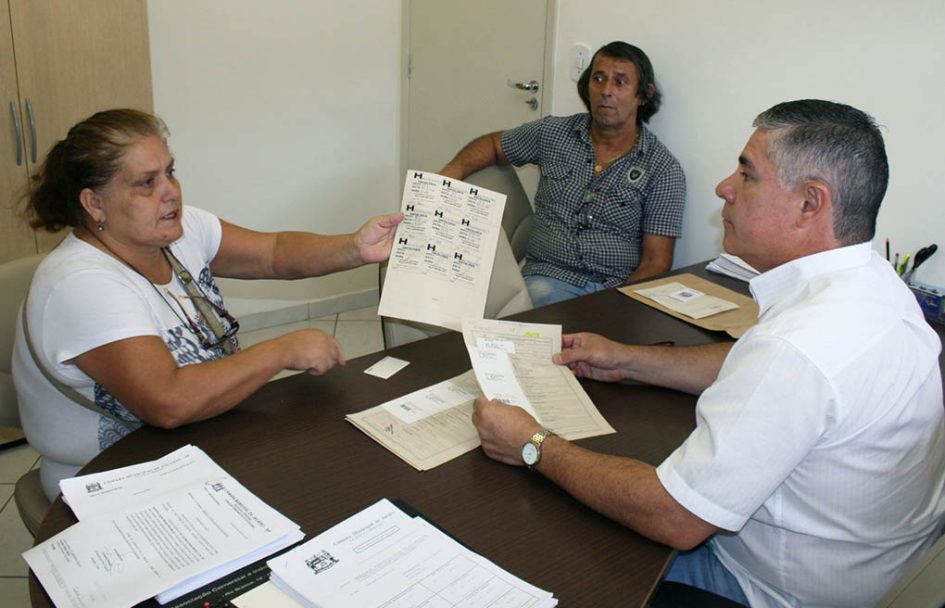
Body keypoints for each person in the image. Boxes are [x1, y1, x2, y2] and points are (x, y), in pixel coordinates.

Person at [471, 99, 945, 606]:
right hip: (865, 563)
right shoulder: (870, 284)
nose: (724, 188)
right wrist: (627, 358)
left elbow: (673, 516)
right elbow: (749, 364)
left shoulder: (801, 347)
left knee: (546, 545)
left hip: (763, 589)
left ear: (811, 204)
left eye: (748, 174)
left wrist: (534, 444)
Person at [13, 109, 403, 500]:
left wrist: (355, 247)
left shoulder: (177, 230)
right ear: (94, 203)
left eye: (170, 172)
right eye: (147, 183)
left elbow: (273, 252)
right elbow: (168, 401)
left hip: (202, 439)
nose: (170, 192)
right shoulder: (81, 285)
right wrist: (280, 351)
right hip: (110, 481)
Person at [439, 41, 686, 307]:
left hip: (612, 290)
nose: (606, 91)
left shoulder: (663, 169)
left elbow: (656, 263)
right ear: (586, 87)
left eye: (620, 82)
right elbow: (493, 145)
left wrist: (617, 308)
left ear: (644, 95)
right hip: (546, 278)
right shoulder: (553, 134)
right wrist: (447, 176)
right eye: (598, 79)